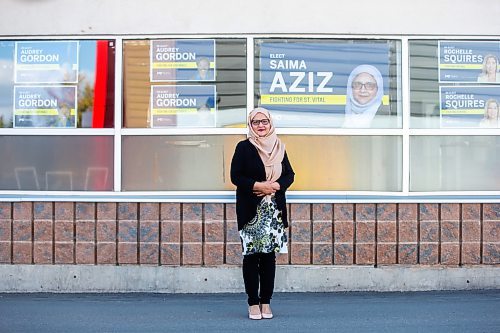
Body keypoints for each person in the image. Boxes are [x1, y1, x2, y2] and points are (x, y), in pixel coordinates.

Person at [230, 107, 294, 320]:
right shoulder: (244, 147)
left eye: (264, 121)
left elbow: (290, 175)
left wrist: (274, 185)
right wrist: (258, 185)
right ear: (250, 125)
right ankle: (252, 303)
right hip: (251, 212)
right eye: (256, 122)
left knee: (268, 258)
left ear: (270, 123)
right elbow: (236, 177)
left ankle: (266, 302)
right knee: (251, 257)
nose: (260, 125)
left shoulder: (279, 147)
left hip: (273, 211)